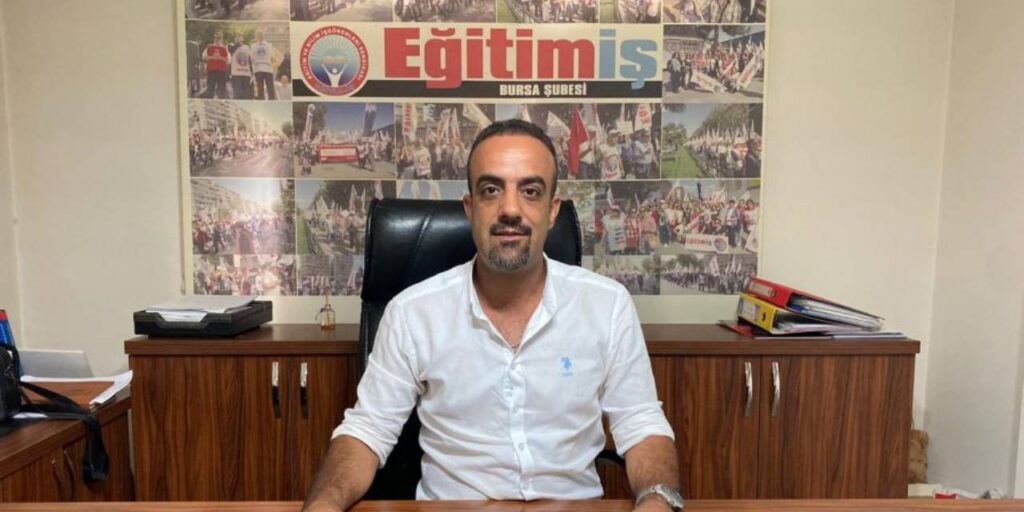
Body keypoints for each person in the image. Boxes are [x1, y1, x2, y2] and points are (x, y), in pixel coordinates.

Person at [303, 119, 682, 512]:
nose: (510, 210)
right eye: (491, 190)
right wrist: (322, 506)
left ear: (552, 211)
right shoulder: (412, 313)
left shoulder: (606, 305)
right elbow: (367, 430)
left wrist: (657, 501)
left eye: (530, 191)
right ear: (470, 209)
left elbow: (641, 426)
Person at [250, 29, 279, 100]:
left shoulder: (269, 45)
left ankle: (271, 101)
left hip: (268, 69)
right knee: (260, 88)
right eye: (257, 35)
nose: (259, 36)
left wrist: (275, 62)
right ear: (256, 36)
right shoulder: (253, 46)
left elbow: (273, 57)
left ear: (263, 36)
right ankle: (261, 101)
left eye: (260, 34)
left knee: (270, 87)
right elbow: (251, 58)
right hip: (258, 69)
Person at [202, 31, 229, 99]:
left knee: (221, 89)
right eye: (215, 38)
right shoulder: (209, 47)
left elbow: (228, 60)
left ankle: (221, 102)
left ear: (222, 39)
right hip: (211, 71)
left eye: (219, 38)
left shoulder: (224, 48)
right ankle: (209, 102)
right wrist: (212, 57)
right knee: (210, 88)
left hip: (221, 71)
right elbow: (204, 57)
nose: (217, 39)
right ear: (214, 38)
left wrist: (220, 58)